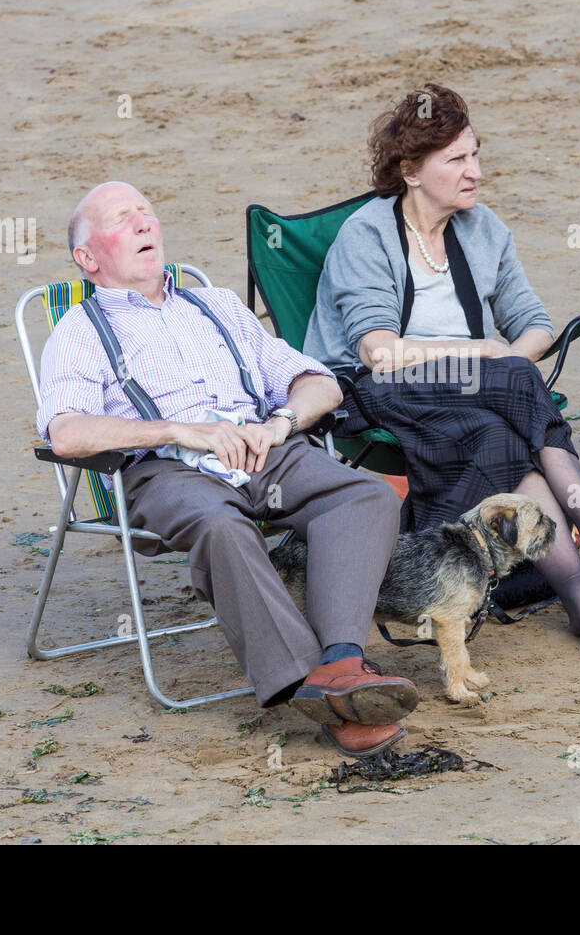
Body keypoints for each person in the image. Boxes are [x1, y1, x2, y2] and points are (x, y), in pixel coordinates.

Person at [304, 85, 580, 653]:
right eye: (457, 160)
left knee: (498, 429)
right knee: (513, 377)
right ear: (411, 171)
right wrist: (487, 356)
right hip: (380, 389)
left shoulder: (483, 228)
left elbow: (534, 323)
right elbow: (378, 351)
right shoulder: (366, 235)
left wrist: (504, 358)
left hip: (475, 393)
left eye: (476, 154)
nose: (476, 172)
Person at [36, 181, 416, 758]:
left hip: (263, 450)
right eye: (122, 219)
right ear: (88, 259)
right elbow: (65, 433)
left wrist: (280, 423)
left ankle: (339, 662)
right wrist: (175, 430)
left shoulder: (216, 306)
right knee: (220, 525)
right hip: (166, 472)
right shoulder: (81, 331)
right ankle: (314, 682)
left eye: (147, 212)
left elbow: (321, 383)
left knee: (364, 496)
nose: (144, 224)